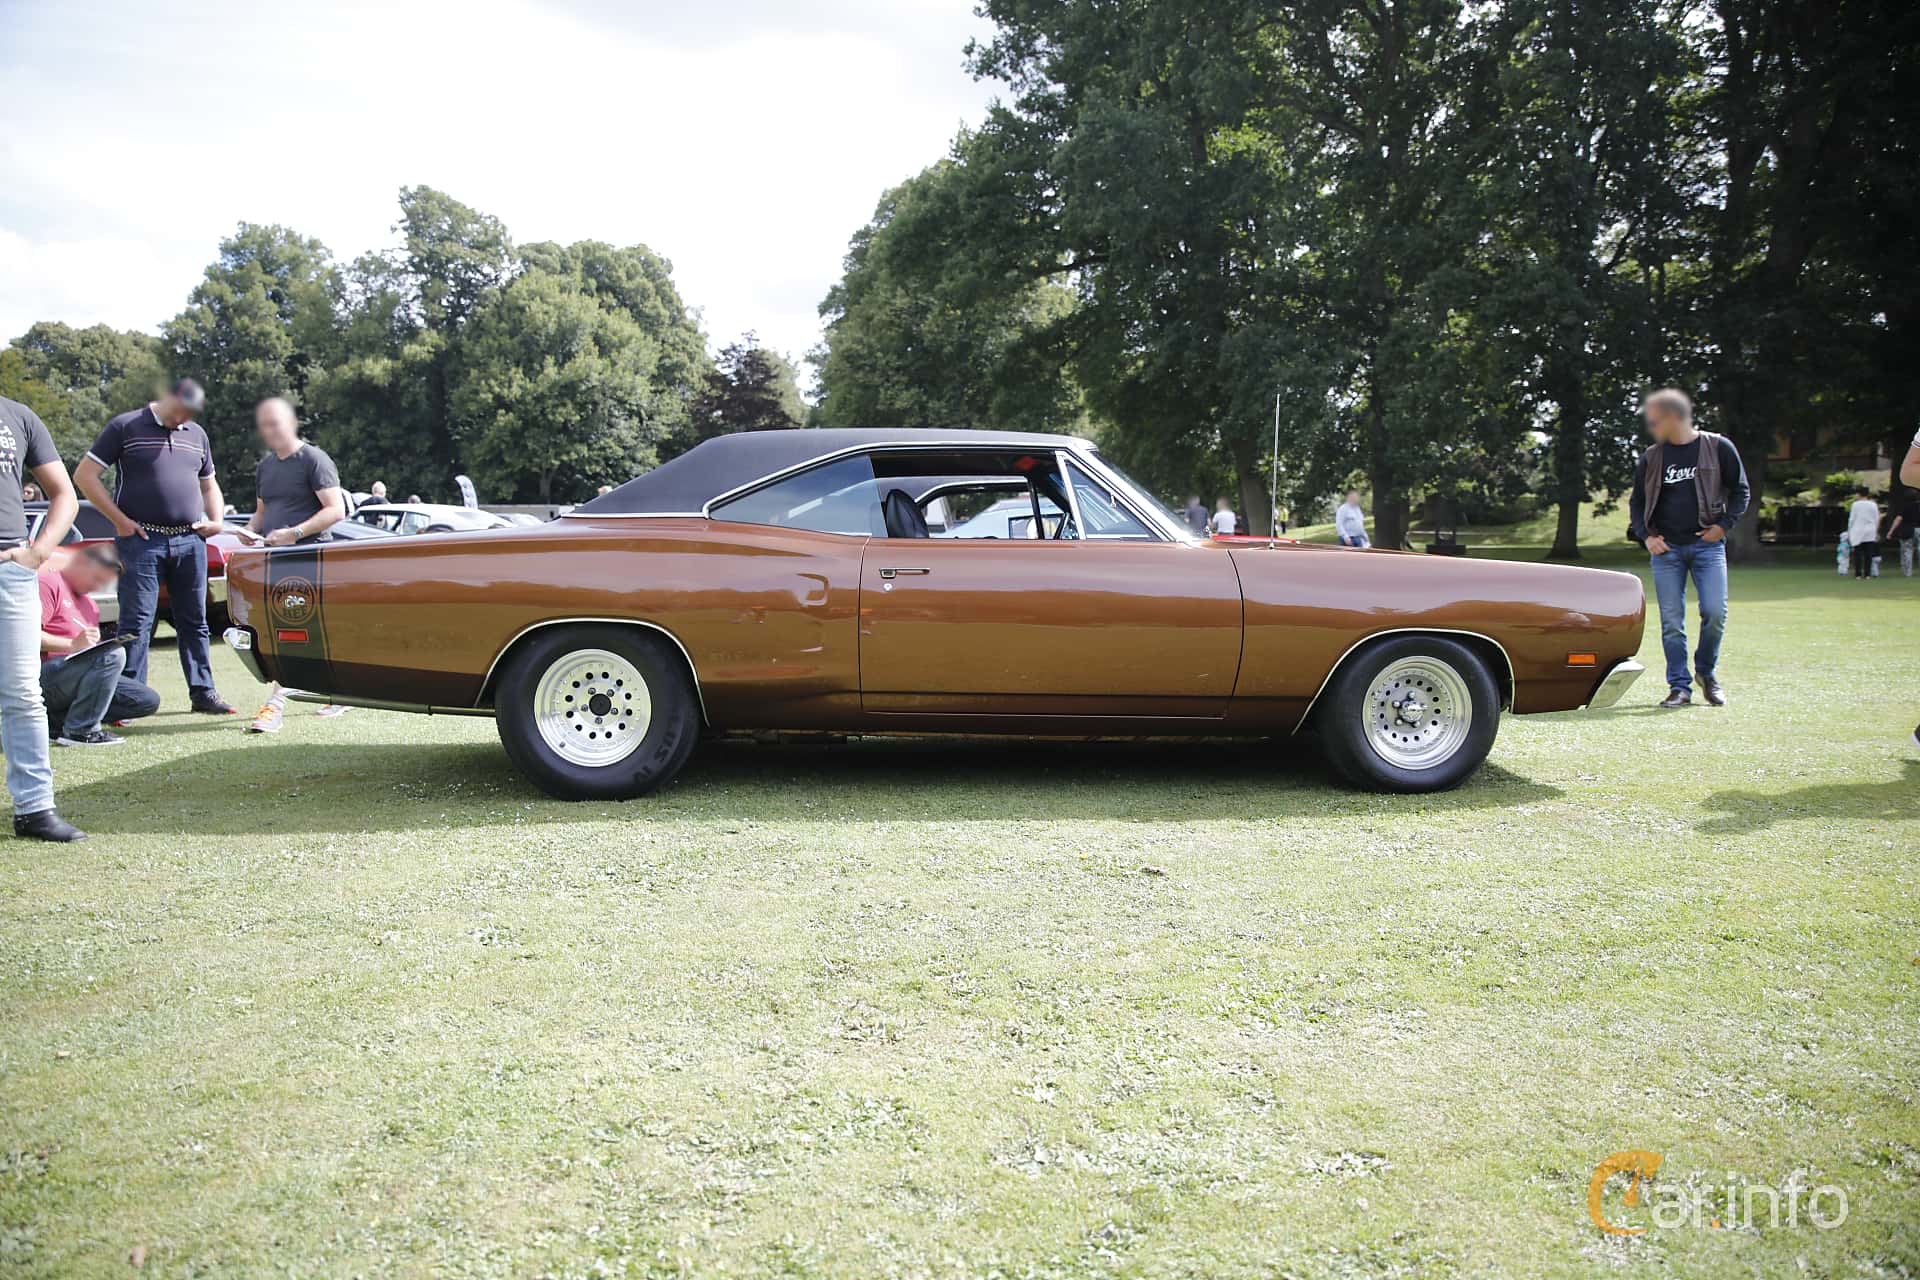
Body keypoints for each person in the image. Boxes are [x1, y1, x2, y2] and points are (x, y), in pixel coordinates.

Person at [74, 379, 234, 715]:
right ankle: (129, 700)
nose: (183, 420)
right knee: (136, 622)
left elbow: (210, 485)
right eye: (180, 412)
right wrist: (118, 520)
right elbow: (85, 476)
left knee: (195, 620)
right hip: (141, 540)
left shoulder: (196, 433)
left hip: (190, 539)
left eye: (189, 415)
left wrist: (216, 520)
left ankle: (203, 692)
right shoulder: (125, 426)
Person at [1627, 388, 1749, 709]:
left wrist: (1722, 526)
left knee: (1714, 613)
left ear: (1674, 417)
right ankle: (1679, 687)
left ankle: (1706, 674)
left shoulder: (1718, 447)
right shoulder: (1652, 457)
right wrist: (1646, 536)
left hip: (1707, 548)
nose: (1651, 427)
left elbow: (1741, 491)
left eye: (1655, 421)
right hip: (1667, 551)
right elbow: (1637, 502)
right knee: (1671, 622)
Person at [0, 394, 87, 841]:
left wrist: (36, 553)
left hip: (9, 575)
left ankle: (35, 810)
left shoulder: (19, 414)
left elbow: (64, 495)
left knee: (22, 694)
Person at [243, 397, 351, 734]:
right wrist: (248, 532)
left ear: (292, 422)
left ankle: (276, 704)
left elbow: (336, 510)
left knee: (294, 632)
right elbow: (262, 513)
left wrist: (295, 533)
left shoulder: (314, 460)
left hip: (310, 558)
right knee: (293, 632)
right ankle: (339, 691)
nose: (270, 430)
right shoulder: (265, 467)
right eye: (264, 425)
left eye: (275, 422)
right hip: (275, 561)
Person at [38, 544, 159, 745]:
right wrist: (72, 644)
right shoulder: (49, 584)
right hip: (44, 676)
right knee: (113, 655)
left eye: (103, 583)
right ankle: (81, 731)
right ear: (81, 563)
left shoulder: (90, 605)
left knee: (146, 700)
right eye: (96, 579)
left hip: (75, 675)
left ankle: (55, 722)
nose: (97, 587)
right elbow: (25, 637)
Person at [1846, 487, 1881, 579]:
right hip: (1870, 530)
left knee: (1857, 553)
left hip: (1857, 530)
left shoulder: (1855, 505)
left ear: (1858, 494)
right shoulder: (1873, 504)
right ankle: (1867, 574)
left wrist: (1849, 532)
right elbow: (1876, 519)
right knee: (1868, 553)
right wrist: (1876, 531)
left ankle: (1858, 574)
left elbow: (1852, 519)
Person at [1888, 487, 1919, 578]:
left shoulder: (1904, 507)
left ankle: (1907, 572)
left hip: (1907, 530)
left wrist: (1891, 531)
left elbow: (1898, 519)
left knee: (1907, 551)